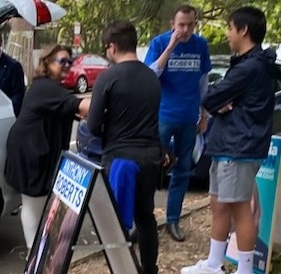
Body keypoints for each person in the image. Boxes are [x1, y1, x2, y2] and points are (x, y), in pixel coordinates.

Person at [181, 6, 277, 274]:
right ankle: (214, 263)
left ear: (243, 30)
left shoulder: (251, 67)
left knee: (239, 208)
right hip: (228, 144)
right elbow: (216, 97)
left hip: (239, 147)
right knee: (219, 203)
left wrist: (218, 99)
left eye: (229, 28)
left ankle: (245, 270)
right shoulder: (248, 65)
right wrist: (219, 99)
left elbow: (210, 98)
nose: (227, 34)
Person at [87, 21, 163, 274]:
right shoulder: (151, 76)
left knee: (117, 220)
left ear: (112, 47)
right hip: (151, 156)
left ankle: (123, 269)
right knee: (145, 216)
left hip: (120, 158)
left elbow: (94, 126)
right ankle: (150, 268)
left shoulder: (108, 77)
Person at [4, 44, 90, 256]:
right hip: (30, 153)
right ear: (46, 63)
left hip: (35, 149)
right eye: (62, 61)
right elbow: (84, 107)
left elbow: (69, 111)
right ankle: (35, 255)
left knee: (37, 203)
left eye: (70, 62)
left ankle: (38, 250)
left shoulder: (50, 88)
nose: (67, 66)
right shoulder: (45, 87)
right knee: (34, 203)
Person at [144, 4, 212, 242]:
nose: (185, 30)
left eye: (190, 25)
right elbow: (150, 75)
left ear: (195, 24)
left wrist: (204, 115)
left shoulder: (201, 45)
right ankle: (144, 221)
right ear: (173, 24)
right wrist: (171, 46)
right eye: (181, 25)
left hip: (188, 117)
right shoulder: (160, 43)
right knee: (152, 169)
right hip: (162, 116)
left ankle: (173, 220)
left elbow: (203, 82)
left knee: (182, 171)